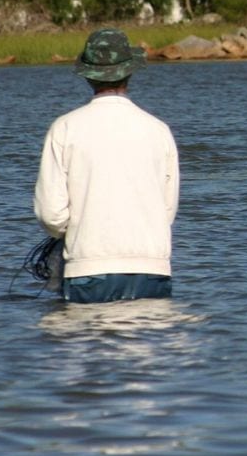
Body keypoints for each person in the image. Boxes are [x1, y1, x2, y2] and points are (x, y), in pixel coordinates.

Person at [34, 28, 180, 304]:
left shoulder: (64, 128)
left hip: (89, 272)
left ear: (88, 76)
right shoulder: (159, 130)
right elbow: (167, 210)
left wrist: (82, 228)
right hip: (152, 270)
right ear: (130, 72)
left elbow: (51, 214)